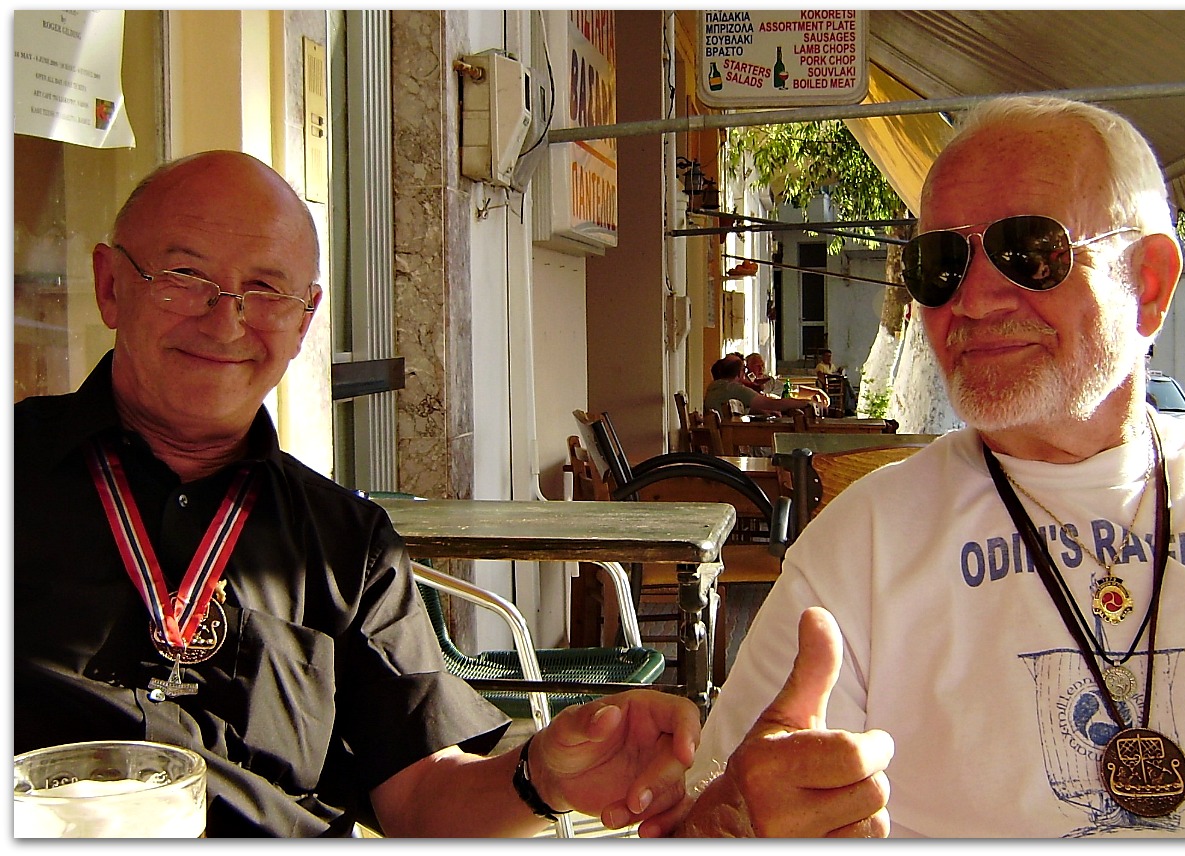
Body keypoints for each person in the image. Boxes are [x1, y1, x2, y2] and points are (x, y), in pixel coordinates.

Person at [13, 151, 700, 838]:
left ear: (304, 319)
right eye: (186, 278)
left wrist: (542, 778)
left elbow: (421, 795)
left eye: (265, 289)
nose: (225, 322)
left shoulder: (348, 545)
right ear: (110, 286)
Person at [662, 95, 1185, 838]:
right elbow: (722, 808)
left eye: (1031, 250)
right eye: (941, 264)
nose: (976, 300)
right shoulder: (862, 545)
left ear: (1147, 283)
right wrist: (737, 826)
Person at [702, 354, 820, 418]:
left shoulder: (715, 387)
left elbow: (747, 408)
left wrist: (760, 411)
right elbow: (773, 404)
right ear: (740, 373)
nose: (761, 369)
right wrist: (807, 403)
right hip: (733, 442)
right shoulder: (734, 389)